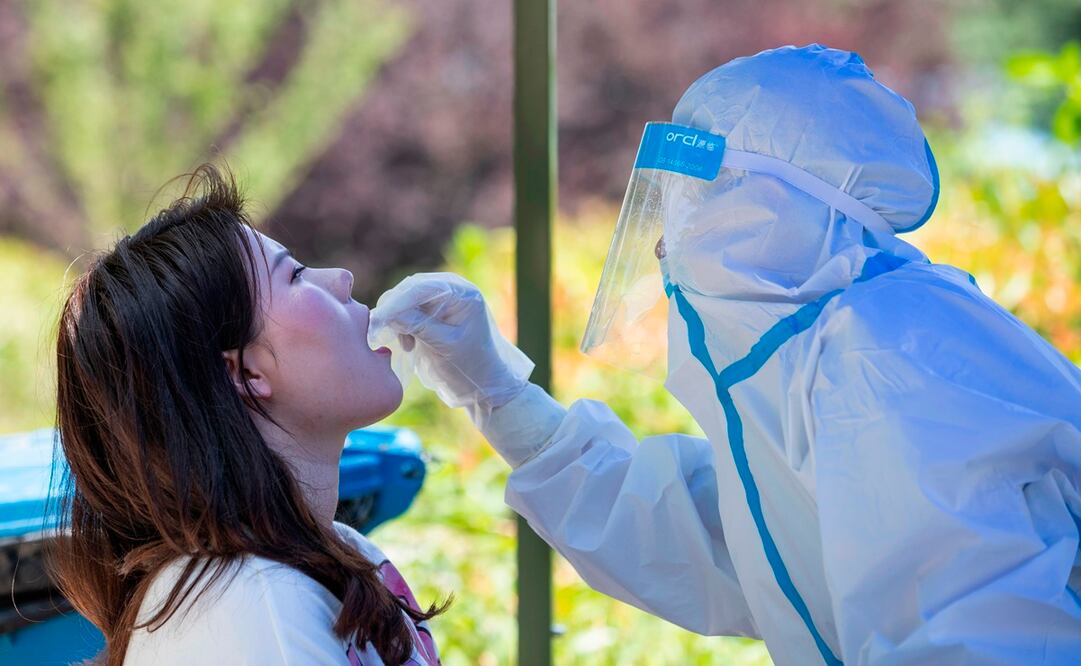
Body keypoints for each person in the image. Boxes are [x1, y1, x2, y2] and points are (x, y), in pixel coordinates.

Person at [371, 45, 1081, 665]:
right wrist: (498, 395)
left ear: (782, 207)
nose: (662, 241)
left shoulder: (888, 360)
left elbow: (973, 638)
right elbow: (730, 537)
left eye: (695, 198)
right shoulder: (830, 347)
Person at [51, 165, 444, 666]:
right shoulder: (257, 602)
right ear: (245, 372)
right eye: (296, 275)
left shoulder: (327, 557)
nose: (342, 278)